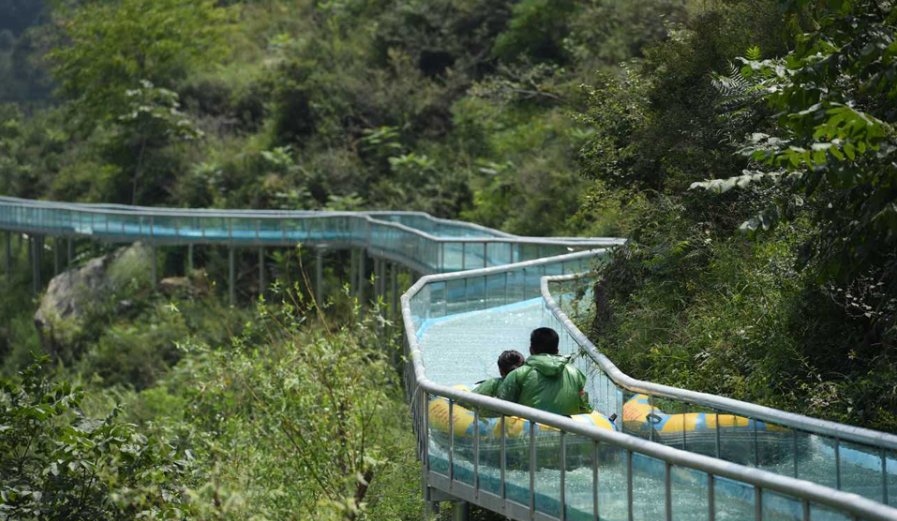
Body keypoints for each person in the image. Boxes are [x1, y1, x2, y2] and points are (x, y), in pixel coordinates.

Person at [495, 327, 592, 416]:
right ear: (557, 350)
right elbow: (584, 406)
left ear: (531, 349)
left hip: (531, 431)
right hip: (570, 431)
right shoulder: (575, 373)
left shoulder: (518, 374)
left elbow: (500, 408)